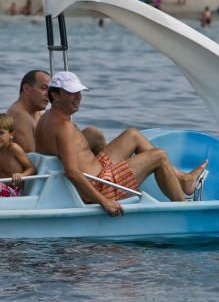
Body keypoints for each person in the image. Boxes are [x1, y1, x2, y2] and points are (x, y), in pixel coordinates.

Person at [35, 71, 207, 216]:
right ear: (55, 95)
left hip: (98, 172)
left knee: (131, 134)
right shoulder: (63, 127)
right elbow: (72, 172)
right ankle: (184, 211)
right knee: (159, 156)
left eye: (79, 92)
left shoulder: (46, 119)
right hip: (101, 185)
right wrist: (104, 202)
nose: (78, 97)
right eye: (71, 92)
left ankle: (183, 179)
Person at [0, 112, 37, 197]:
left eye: (1, 133)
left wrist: (21, 175)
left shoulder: (14, 149)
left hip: (13, 191)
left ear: (11, 134)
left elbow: (32, 168)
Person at [7, 69, 50, 152]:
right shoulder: (19, 115)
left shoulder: (36, 112)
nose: (48, 94)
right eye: (43, 88)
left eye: (50, 90)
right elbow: (32, 157)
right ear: (27, 89)